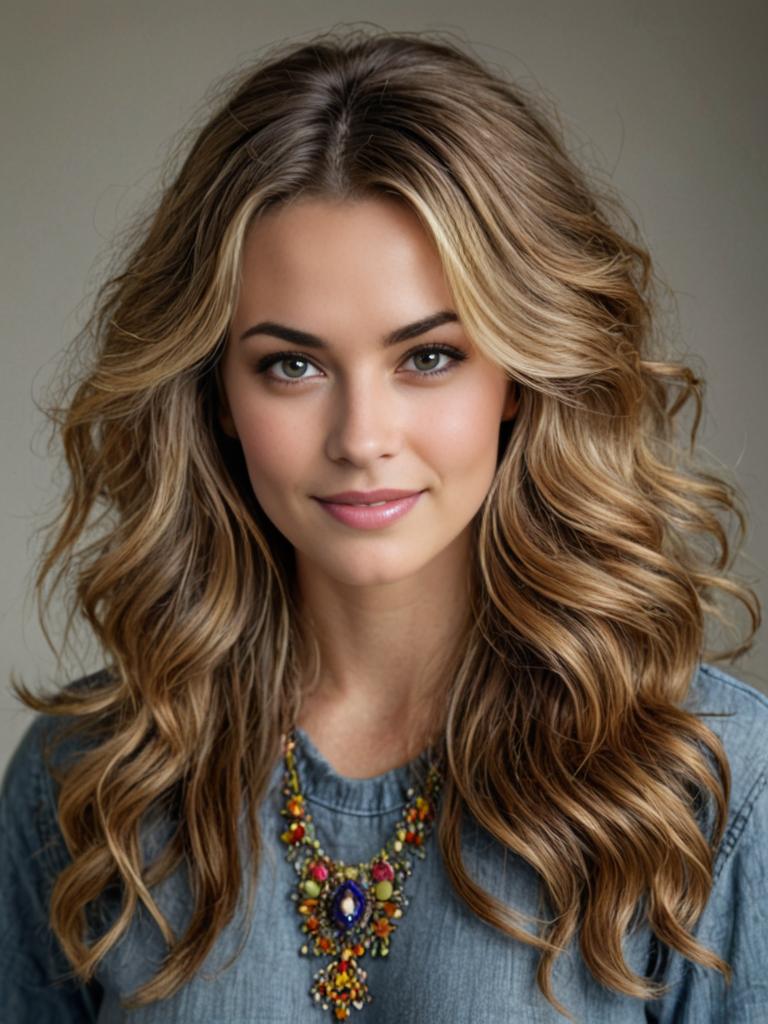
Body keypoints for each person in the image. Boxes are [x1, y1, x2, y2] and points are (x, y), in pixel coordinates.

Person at [1, 26, 766, 1024]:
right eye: (292, 364)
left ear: (518, 379)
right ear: (218, 395)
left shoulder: (705, 781)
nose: (363, 437)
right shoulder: (89, 776)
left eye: (430, 356)